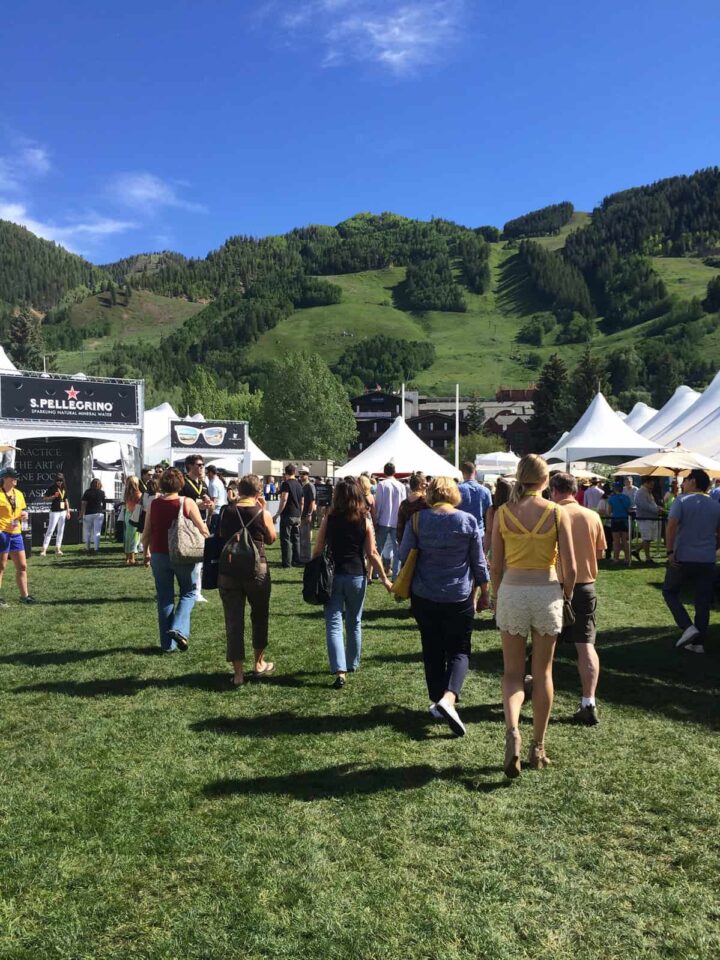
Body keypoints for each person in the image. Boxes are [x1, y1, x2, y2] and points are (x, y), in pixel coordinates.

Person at [490, 454, 576, 777]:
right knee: (543, 673)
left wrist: (497, 596)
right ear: (546, 481)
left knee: (512, 673)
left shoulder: (502, 512)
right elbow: (571, 565)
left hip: (512, 590)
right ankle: (538, 746)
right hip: (546, 591)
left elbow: (496, 564)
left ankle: (513, 729)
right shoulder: (556, 512)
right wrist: (566, 596)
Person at [398, 476, 489, 736]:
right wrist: (484, 591)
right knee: (460, 650)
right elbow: (478, 562)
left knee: (432, 648)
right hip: (458, 596)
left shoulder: (418, 519)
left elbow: (404, 554)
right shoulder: (468, 521)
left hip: (424, 595)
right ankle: (448, 698)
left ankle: (439, 700)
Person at [312, 478, 392, 688]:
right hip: (357, 575)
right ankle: (352, 663)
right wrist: (384, 579)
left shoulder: (329, 519)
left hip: (333, 576)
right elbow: (372, 553)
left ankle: (340, 670)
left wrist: (313, 570)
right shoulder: (364, 520)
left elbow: (318, 548)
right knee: (354, 622)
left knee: (333, 624)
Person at [550, 472, 607, 725]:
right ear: (574, 490)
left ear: (553, 490)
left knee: (545, 643)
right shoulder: (592, 516)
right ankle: (588, 700)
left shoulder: (549, 514)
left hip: (552, 583)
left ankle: (532, 686)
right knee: (585, 645)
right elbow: (601, 553)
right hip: (585, 585)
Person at [141, 467, 209, 652]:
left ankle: (167, 645)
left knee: (165, 598)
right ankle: (178, 629)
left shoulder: (154, 504)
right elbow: (202, 529)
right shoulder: (186, 502)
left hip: (159, 554)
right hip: (183, 554)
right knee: (188, 592)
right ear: (181, 484)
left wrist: (146, 553)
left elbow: (146, 532)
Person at [218, 474, 277, 685]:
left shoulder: (227, 511)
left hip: (229, 570)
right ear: (258, 492)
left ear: (239, 490)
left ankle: (238, 674)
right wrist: (265, 510)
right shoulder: (262, 512)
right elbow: (271, 539)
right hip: (256, 570)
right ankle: (258, 663)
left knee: (233, 621)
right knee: (259, 616)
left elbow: (221, 536)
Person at [663, 469, 720, 656]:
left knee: (669, 591)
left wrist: (670, 551)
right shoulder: (715, 504)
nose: (682, 483)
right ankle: (698, 643)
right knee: (702, 602)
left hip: (683, 557)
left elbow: (671, 526)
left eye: (685, 480)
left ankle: (687, 627)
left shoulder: (681, 500)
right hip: (707, 559)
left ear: (693, 481)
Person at [181, 455, 215, 602]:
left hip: (201, 521)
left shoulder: (203, 484)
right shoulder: (183, 483)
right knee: (190, 558)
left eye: (203, 465)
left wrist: (210, 505)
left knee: (199, 558)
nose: (202, 468)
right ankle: (191, 590)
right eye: (199, 465)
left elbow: (208, 503)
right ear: (190, 466)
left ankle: (196, 590)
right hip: (187, 523)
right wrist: (197, 504)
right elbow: (180, 502)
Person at [0, 467, 35, 606]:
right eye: (12, 476)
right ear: (4, 478)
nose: (15, 479)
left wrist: (24, 514)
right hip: (2, 533)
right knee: (1, 567)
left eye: (16, 477)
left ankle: (24, 596)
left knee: (22, 566)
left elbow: (21, 510)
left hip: (16, 533)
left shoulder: (19, 494)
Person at [372, 461, 406, 580]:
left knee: (378, 548)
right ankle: (395, 574)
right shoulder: (401, 486)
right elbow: (403, 505)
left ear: (384, 472)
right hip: (396, 521)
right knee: (397, 550)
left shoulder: (382, 485)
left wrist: (376, 519)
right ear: (395, 472)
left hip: (383, 520)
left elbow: (379, 504)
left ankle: (376, 572)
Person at [278, 463, 304, 568]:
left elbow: (284, 499)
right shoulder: (299, 484)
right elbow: (302, 501)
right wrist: (300, 514)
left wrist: (277, 513)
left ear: (286, 472)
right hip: (297, 514)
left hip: (287, 514)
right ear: (294, 472)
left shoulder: (286, 484)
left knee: (286, 539)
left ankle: (287, 562)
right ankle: (296, 560)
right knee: (296, 539)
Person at [40, 472, 71, 557]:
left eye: (61, 480)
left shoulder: (64, 488)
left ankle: (58, 548)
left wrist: (68, 511)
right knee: (50, 530)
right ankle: (44, 549)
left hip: (63, 512)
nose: (59, 482)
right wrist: (53, 497)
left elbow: (66, 501)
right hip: (54, 511)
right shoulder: (52, 488)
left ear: (63, 480)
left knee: (60, 530)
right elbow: (44, 498)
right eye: (57, 480)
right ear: (55, 481)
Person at [458, 461, 492, 538]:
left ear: (462, 473)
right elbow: (489, 514)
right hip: (479, 532)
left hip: (461, 531)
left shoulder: (456, 490)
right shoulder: (486, 491)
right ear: (475, 472)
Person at [483, 476, 514, 554]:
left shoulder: (492, 510)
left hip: (495, 546)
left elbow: (489, 532)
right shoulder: (514, 510)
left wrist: (485, 551)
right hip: (511, 546)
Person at [396, 472, 428, 546]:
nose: (427, 486)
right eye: (425, 484)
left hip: (407, 542)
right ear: (420, 485)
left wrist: (401, 542)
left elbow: (400, 525)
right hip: (423, 542)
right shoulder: (425, 502)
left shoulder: (403, 504)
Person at [634, 477, 660, 564]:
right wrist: (657, 509)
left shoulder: (648, 492)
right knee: (647, 537)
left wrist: (658, 508)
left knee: (649, 538)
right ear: (646, 483)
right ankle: (648, 558)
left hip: (650, 517)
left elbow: (652, 504)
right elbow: (644, 506)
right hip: (644, 518)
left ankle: (636, 551)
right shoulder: (641, 492)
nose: (652, 487)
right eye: (651, 484)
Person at [79, 478, 106, 554]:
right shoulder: (102, 492)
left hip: (88, 513)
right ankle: (96, 549)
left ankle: (87, 548)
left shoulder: (87, 492)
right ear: (100, 485)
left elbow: (83, 504)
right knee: (97, 532)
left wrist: (81, 514)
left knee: (87, 532)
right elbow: (104, 503)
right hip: (99, 513)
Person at [608, 480, 632, 563]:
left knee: (616, 541)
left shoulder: (611, 498)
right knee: (625, 540)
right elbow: (629, 509)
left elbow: (609, 511)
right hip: (625, 520)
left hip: (615, 520)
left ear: (614, 489)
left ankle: (616, 558)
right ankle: (627, 558)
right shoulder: (626, 498)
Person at [122, 476, 142, 565]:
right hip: (135, 515)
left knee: (127, 536)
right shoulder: (138, 494)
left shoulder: (126, 494)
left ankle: (127, 558)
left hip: (127, 514)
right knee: (134, 537)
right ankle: (132, 559)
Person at [298, 467, 316, 564]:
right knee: (302, 536)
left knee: (306, 537)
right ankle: (302, 556)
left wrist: (309, 514)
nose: (301, 475)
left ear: (307, 474)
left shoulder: (310, 486)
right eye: (300, 473)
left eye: (303, 473)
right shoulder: (302, 485)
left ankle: (306, 558)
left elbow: (312, 501)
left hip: (307, 514)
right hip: (302, 514)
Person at [206, 465, 227, 535]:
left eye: (207, 473)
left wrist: (209, 516)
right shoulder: (219, 481)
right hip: (221, 510)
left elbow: (213, 501)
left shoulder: (213, 484)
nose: (207, 475)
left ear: (211, 473)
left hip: (215, 512)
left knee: (212, 535)